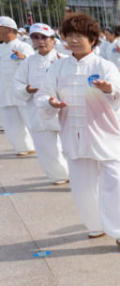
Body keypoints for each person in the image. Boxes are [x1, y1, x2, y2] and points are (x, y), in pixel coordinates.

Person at [36, 13, 120, 253]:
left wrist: (108, 89)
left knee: (118, 183)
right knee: (83, 186)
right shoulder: (58, 67)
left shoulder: (104, 66)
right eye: (69, 36)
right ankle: (94, 225)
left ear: (92, 39)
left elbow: (119, 95)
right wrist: (50, 103)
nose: (73, 41)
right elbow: (43, 95)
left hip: (106, 136)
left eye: (79, 36)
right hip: (74, 134)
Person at [12, 23, 69, 183]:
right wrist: (27, 89)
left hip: (63, 110)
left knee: (71, 146)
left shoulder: (64, 60)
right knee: (46, 149)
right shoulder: (28, 62)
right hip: (38, 112)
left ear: (52, 39)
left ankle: (76, 174)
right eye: (35, 37)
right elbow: (17, 84)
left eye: (44, 37)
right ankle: (60, 175)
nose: (40, 41)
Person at [0, 15, 36, 156]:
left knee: (31, 122)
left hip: (21, 93)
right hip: (4, 92)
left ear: (9, 30)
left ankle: (40, 146)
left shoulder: (23, 46)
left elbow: (33, 64)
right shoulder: (1, 48)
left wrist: (24, 57)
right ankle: (23, 148)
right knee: (11, 125)